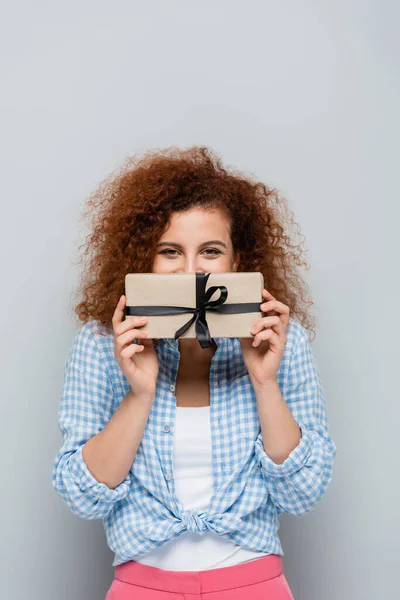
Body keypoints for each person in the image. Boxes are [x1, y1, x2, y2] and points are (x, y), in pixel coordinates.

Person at [52, 146, 337, 600]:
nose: (191, 271)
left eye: (210, 251)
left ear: (236, 259)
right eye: (170, 251)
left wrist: (264, 382)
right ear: (143, 257)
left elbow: (303, 493)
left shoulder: (283, 340)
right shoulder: (102, 343)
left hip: (253, 584)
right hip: (142, 586)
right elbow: (81, 497)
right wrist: (139, 394)